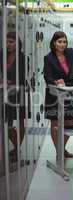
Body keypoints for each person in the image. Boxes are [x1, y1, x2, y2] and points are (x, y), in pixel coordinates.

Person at [43, 31, 73, 158]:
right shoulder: (49, 58)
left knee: (69, 122)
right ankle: (59, 152)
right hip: (54, 94)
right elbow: (47, 76)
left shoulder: (70, 54)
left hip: (69, 93)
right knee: (56, 123)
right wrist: (56, 81)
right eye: (59, 41)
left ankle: (62, 149)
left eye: (64, 41)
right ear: (54, 43)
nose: (62, 44)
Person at [0, 32, 30, 162]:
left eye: (11, 42)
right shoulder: (2, 55)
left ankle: (17, 148)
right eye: (7, 42)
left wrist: (10, 82)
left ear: (17, 43)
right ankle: (16, 148)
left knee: (21, 120)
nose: (8, 44)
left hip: (19, 91)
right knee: (7, 122)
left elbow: (22, 75)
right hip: (5, 92)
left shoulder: (22, 57)